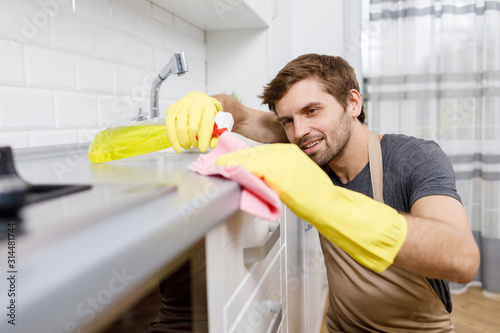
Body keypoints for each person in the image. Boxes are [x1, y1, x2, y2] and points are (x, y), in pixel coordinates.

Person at [158, 54, 480, 332]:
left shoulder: (412, 157)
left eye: (312, 110)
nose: (299, 132)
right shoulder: (314, 146)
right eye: (287, 120)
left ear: (353, 103)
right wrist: (212, 104)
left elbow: (462, 258)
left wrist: (327, 201)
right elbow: (239, 114)